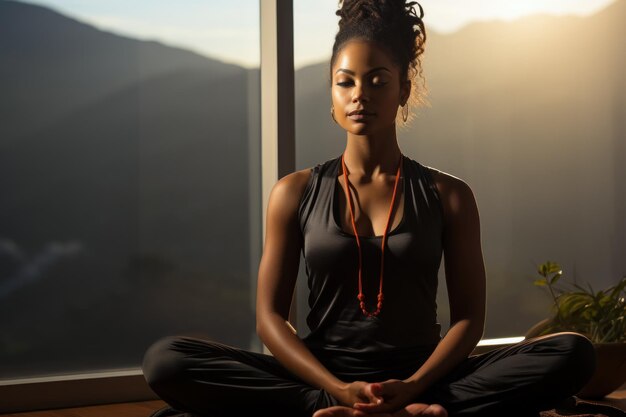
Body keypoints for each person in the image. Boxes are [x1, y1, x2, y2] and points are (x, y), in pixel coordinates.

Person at [142, 1, 596, 416]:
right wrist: (338, 389)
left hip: (424, 374)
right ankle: (363, 410)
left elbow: (468, 320)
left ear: (403, 89)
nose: (360, 94)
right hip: (324, 376)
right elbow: (270, 319)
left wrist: (415, 384)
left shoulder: (450, 195)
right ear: (333, 94)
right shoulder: (293, 192)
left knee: (572, 353)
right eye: (346, 82)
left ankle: (389, 408)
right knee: (168, 360)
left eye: (378, 80)